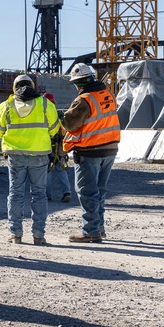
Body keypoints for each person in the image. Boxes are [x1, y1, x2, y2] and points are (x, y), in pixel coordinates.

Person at [0, 74, 60, 245]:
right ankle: (38, 236)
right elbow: (55, 128)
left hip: (15, 156)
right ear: (32, 86)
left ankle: (15, 235)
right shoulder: (45, 104)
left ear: (14, 88)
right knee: (39, 194)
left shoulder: (6, 106)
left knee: (15, 193)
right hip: (40, 156)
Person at [62, 63, 121, 243]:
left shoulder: (83, 100)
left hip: (89, 151)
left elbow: (70, 124)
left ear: (78, 84)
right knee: (100, 191)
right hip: (110, 148)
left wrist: (62, 118)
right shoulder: (108, 95)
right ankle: (99, 228)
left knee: (87, 192)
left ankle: (91, 231)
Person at [42, 91, 73, 203]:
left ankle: (47, 194)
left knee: (46, 171)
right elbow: (65, 131)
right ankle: (67, 192)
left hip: (46, 147)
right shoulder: (59, 115)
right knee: (61, 170)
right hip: (59, 148)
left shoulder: (42, 115)